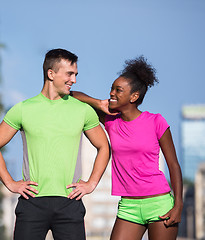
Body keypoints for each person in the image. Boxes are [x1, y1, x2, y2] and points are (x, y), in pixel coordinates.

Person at [0, 48, 110, 240]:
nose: (74, 80)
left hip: (70, 203)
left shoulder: (83, 111)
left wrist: (91, 183)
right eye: (69, 74)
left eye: (76, 74)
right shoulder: (23, 109)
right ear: (51, 74)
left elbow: (104, 147)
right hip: (32, 202)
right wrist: (10, 183)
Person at [71, 56, 183, 240]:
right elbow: (73, 96)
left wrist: (178, 205)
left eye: (118, 90)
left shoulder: (156, 121)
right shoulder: (110, 121)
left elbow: (173, 165)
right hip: (128, 206)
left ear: (134, 96)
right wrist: (99, 103)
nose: (112, 93)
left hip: (160, 203)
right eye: (111, 89)